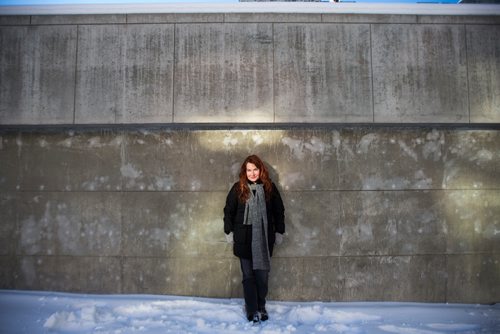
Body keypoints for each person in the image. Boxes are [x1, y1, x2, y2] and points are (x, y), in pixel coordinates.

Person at [223, 155, 285, 323]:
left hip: (263, 239)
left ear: (261, 170)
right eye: (249, 170)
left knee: (262, 276)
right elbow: (229, 211)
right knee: (248, 276)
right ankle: (252, 310)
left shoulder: (269, 188)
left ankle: (261, 306)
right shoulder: (238, 188)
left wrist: (279, 231)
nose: (252, 173)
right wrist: (228, 232)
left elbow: (279, 211)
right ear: (245, 171)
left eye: (255, 169)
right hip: (243, 239)